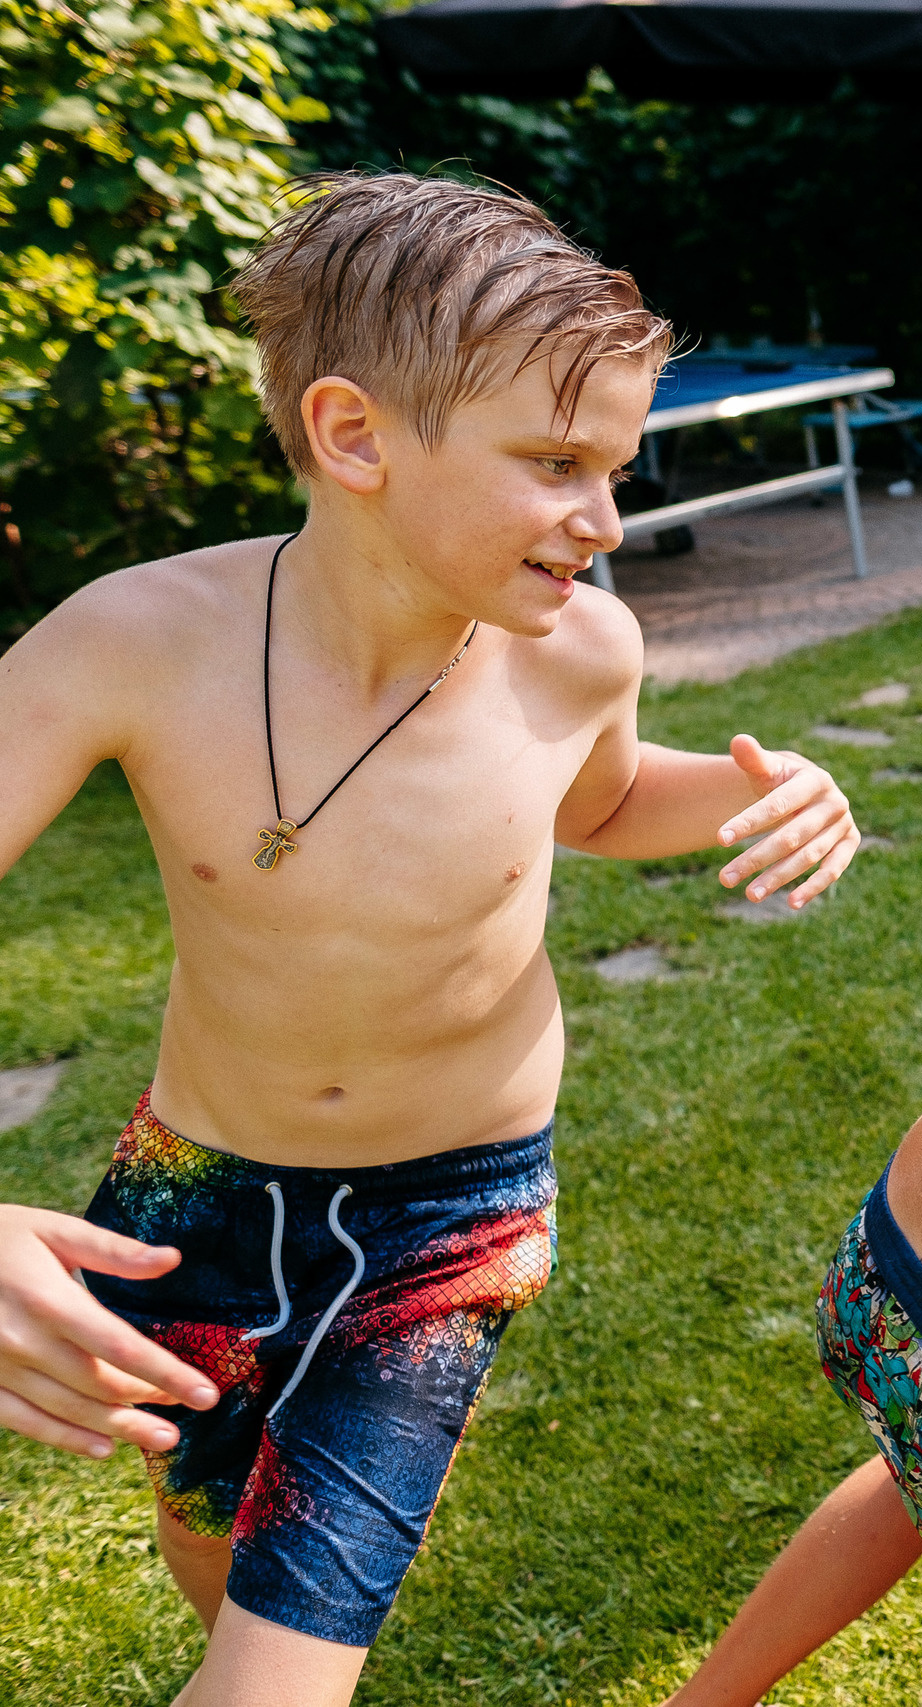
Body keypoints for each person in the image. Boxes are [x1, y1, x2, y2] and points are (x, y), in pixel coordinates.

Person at [0, 172, 860, 1707]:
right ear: (353, 437)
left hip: (448, 1224)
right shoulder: (130, 643)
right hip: (194, 1193)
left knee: (282, 1665)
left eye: (616, 468)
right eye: (558, 462)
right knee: (209, 1532)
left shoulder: (582, 648)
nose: (606, 518)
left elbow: (596, 805)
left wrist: (769, 790)